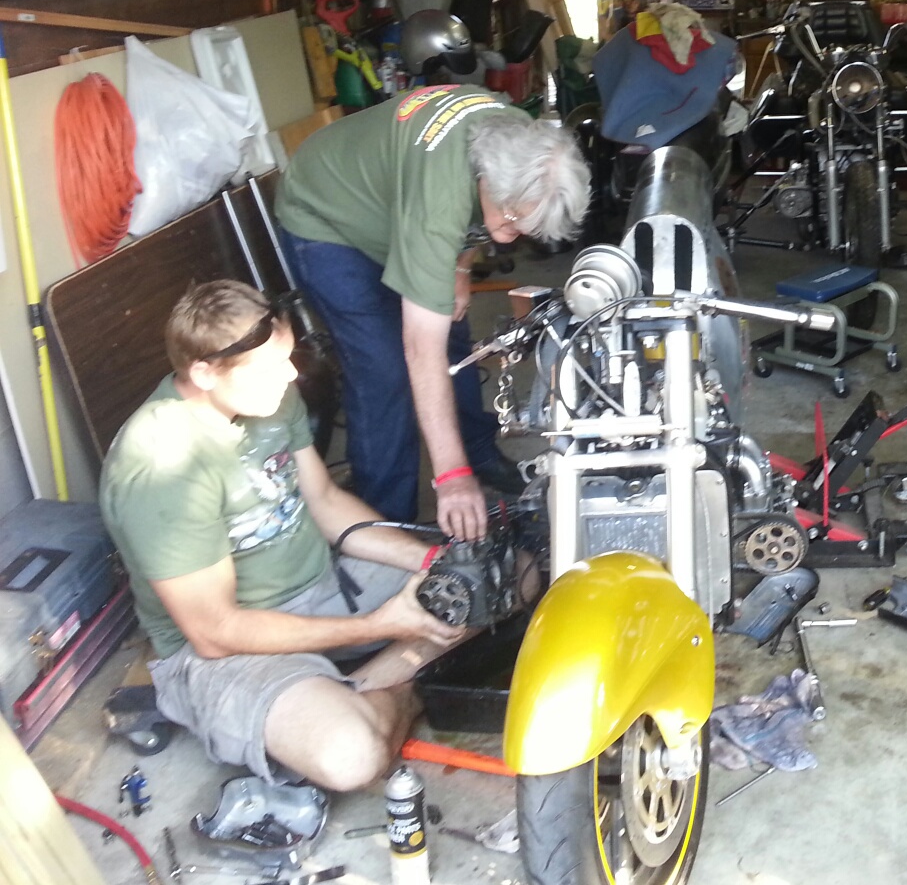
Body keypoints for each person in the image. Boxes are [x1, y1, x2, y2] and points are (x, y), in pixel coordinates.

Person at [99, 281, 466, 790]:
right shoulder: (161, 467)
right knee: (351, 756)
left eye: (287, 357)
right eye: (271, 366)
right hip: (224, 649)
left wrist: (434, 562)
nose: (292, 374)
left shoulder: (270, 396)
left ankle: (360, 686)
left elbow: (326, 502)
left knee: (502, 577)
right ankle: (407, 685)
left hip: (322, 585)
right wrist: (377, 625)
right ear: (204, 373)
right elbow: (216, 632)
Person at [275, 84, 590, 541]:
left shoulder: (523, 141)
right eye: (507, 218)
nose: (508, 236)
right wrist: (450, 477)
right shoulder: (440, 200)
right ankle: (385, 522)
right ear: (486, 179)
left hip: (393, 205)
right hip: (326, 217)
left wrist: (460, 268)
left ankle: (479, 453)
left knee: (454, 334)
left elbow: (477, 223)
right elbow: (421, 348)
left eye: (523, 227)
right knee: (384, 368)